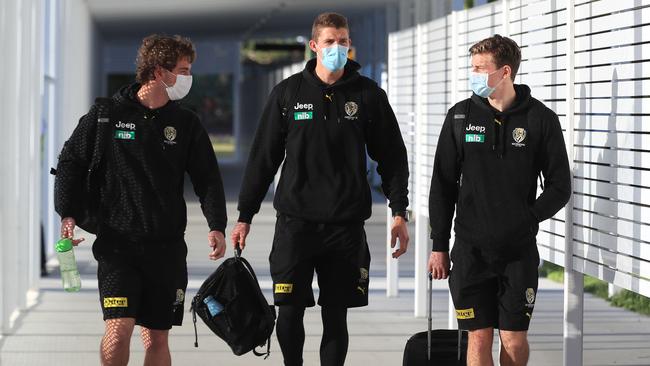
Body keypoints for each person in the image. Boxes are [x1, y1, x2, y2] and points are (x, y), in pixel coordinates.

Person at [230, 12, 410, 366]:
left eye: (343, 41)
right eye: (330, 41)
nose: (337, 48)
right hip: (295, 224)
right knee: (289, 311)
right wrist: (244, 216)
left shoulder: (368, 95)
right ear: (314, 46)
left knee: (335, 316)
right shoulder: (287, 94)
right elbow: (263, 158)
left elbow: (392, 157)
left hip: (345, 227)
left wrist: (399, 211)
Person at [54, 34, 227, 366]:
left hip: (167, 248)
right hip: (118, 244)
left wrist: (216, 225)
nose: (189, 77)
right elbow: (70, 161)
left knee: (157, 337)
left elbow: (207, 178)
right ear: (159, 72)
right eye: (183, 69)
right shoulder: (107, 114)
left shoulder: (185, 123)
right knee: (119, 329)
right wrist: (67, 213)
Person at [427, 35, 571, 366]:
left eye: (480, 68)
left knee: (513, 338)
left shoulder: (540, 119)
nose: (473, 74)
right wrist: (438, 245)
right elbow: (443, 185)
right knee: (479, 337)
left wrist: (528, 217)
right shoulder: (460, 117)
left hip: (517, 252)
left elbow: (560, 185)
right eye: (472, 67)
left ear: (504, 72)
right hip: (469, 251)